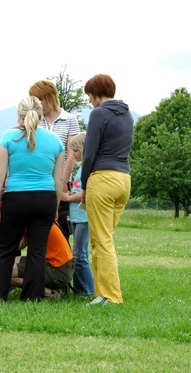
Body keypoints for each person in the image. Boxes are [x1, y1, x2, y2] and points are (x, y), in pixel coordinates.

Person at [0, 96, 64, 301]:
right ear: (41, 116)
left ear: (19, 115)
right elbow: (58, 180)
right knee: (37, 251)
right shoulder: (56, 141)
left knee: (6, 248)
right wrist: (55, 206)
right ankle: (32, 297)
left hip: (16, 199)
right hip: (45, 199)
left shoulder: (8, 138)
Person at [81, 74, 134, 305]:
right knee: (103, 239)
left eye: (89, 96)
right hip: (124, 179)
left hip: (102, 179)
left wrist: (84, 184)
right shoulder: (127, 115)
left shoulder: (99, 113)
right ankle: (100, 293)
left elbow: (89, 153)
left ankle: (111, 296)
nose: (89, 101)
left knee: (101, 240)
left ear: (95, 93)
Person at [28, 80, 80, 241]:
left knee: (60, 230)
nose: (37, 105)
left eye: (39, 100)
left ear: (49, 98)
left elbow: (71, 153)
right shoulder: (35, 120)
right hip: (38, 182)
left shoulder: (70, 120)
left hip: (61, 182)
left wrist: (62, 182)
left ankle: (62, 265)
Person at [0, 222, 74, 298]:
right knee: (11, 262)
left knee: (4, 272)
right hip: (63, 267)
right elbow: (17, 245)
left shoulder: (27, 222)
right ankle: (57, 287)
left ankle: (51, 292)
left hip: (58, 270)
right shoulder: (37, 222)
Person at [62, 132, 94, 296]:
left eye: (75, 151)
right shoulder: (81, 168)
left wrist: (67, 197)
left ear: (82, 148)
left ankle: (87, 290)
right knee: (79, 254)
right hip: (75, 217)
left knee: (79, 255)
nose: (73, 155)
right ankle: (80, 288)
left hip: (83, 218)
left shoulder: (87, 169)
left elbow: (84, 194)